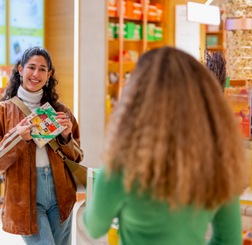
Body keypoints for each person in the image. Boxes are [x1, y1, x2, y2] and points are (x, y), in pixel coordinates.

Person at [84, 47, 247, 245]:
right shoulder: (217, 168)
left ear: (136, 101)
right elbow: (228, 241)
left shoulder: (120, 168)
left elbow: (94, 227)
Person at [0, 46, 83, 245]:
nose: (36, 74)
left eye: (43, 69)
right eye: (31, 67)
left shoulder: (61, 111)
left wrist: (67, 137)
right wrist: (16, 137)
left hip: (61, 192)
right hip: (24, 198)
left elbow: (78, 157)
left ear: (49, 74)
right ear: (20, 69)